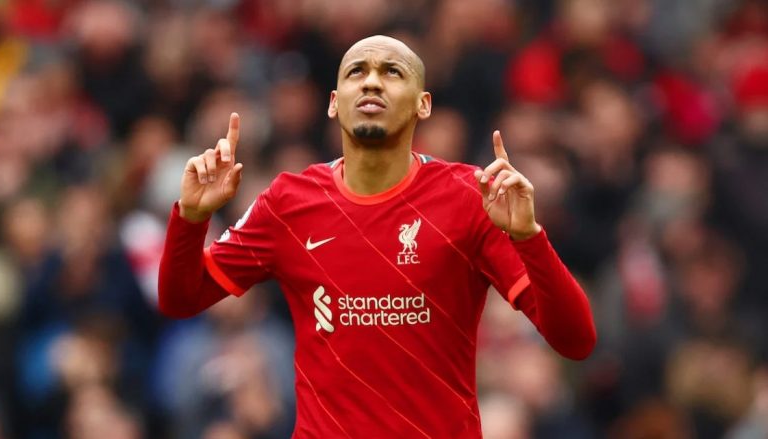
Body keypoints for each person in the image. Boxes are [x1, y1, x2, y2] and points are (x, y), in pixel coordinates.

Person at [158, 35, 596, 438]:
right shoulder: (288, 202)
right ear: (334, 103)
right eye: (357, 71)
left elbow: (576, 341)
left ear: (423, 104)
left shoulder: (471, 198)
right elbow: (181, 300)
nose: (371, 82)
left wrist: (529, 237)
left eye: (392, 72)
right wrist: (191, 218)